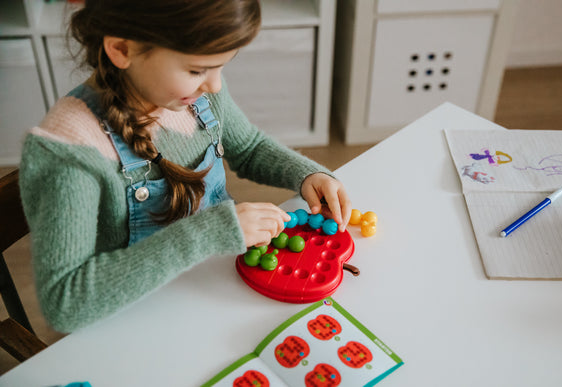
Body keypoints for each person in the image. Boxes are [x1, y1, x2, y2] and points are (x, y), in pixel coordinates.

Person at [18, 0, 351, 333]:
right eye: (197, 70)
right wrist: (209, 233)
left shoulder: (194, 95)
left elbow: (248, 147)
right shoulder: (69, 152)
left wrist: (306, 174)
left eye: (222, 66)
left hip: (218, 288)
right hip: (135, 324)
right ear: (121, 48)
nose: (215, 85)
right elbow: (65, 302)